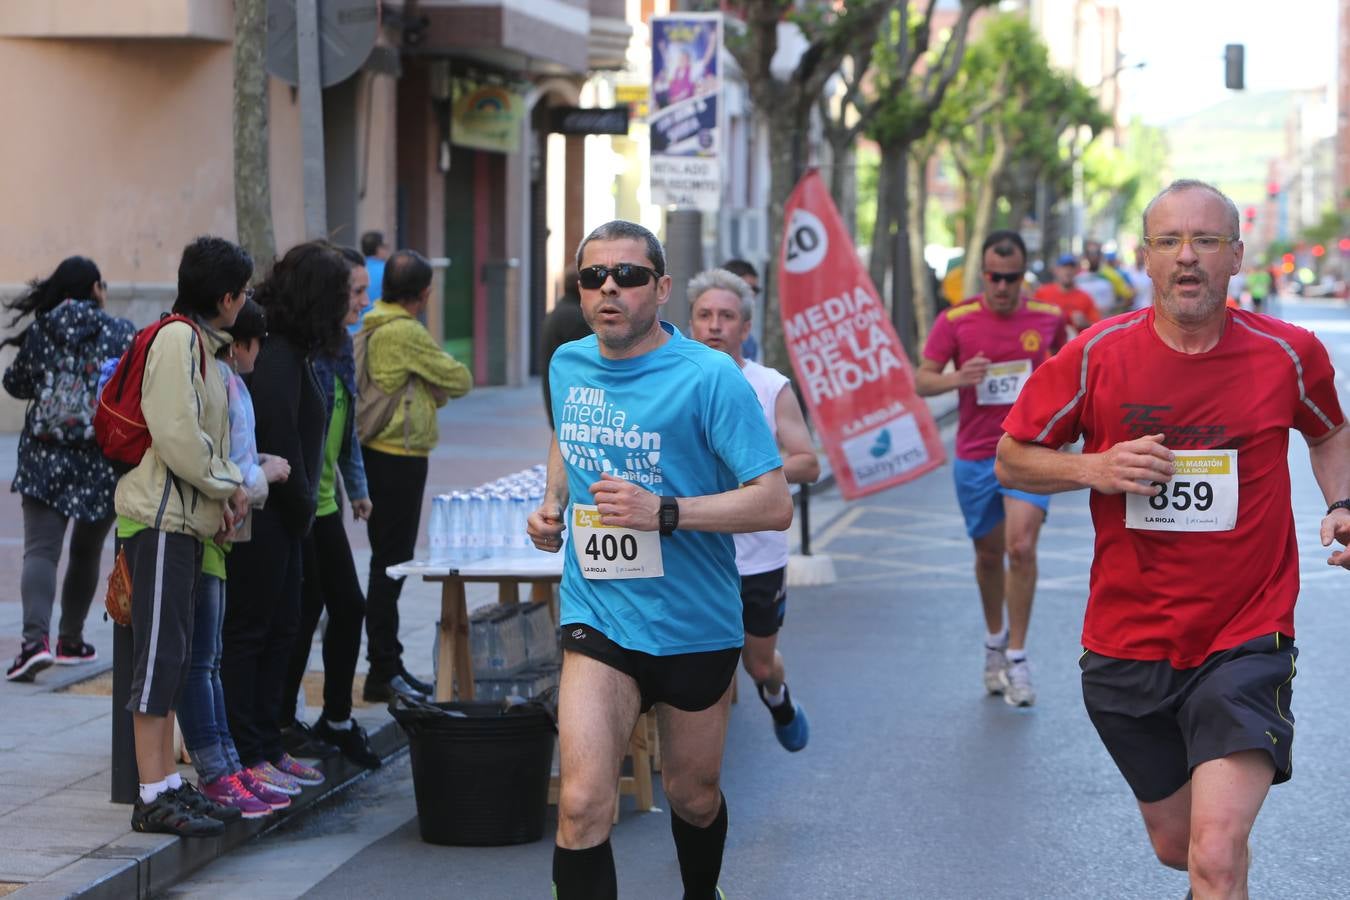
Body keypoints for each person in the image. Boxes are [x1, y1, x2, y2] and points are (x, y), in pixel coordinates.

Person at [996, 179, 1350, 897]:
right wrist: (1095, 466)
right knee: (1178, 847)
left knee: (1216, 852)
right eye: (1169, 242)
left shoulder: (1289, 354)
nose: (1187, 257)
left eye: (1206, 241)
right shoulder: (1096, 356)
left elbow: (1329, 429)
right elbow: (1013, 455)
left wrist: (1343, 501)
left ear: (1236, 257)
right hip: (1129, 642)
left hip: (1246, 634)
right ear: (1147, 259)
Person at [527, 220, 791, 900]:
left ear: (662, 287)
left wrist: (665, 511)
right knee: (584, 803)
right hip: (600, 613)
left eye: (628, 275)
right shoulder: (566, 363)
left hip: (694, 622)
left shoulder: (711, 379)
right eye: (593, 277)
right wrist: (552, 503)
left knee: (692, 795)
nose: (608, 288)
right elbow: (565, 436)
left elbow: (772, 504)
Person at [116, 236, 251, 836]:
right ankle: (151, 795)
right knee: (156, 664)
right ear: (226, 297)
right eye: (242, 294)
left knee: (170, 661)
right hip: (161, 523)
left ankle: (169, 784)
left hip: (184, 523)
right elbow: (177, 436)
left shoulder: (199, 342)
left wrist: (218, 494)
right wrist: (229, 483)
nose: (243, 304)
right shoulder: (177, 341)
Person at [915, 230, 1067, 707]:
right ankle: (994, 642)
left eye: (1012, 277)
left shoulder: (1047, 318)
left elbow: (1067, 370)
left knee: (1020, 546)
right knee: (987, 556)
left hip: (1030, 449)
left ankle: (1019, 658)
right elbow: (922, 380)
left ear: (1025, 275)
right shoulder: (956, 320)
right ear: (982, 275)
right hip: (978, 453)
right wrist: (960, 377)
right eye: (994, 277)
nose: (1002, 287)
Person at [221, 241, 349, 798]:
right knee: (256, 632)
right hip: (268, 515)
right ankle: (247, 751)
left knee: (283, 629)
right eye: (343, 295)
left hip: (288, 517)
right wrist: (301, 511)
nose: (349, 308)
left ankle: (268, 745)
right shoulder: (274, 352)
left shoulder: (292, 348)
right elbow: (281, 443)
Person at [688, 267, 817, 751]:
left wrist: (754, 474)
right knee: (697, 660)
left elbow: (807, 461)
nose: (715, 325)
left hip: (756, 557)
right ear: (691, 322)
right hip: (694, 549)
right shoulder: (672, 383)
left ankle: (778, 696)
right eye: (705, 315)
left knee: (758, 663)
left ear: (745, 328)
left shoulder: (769, 386)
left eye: (727, 316)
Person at [3, 257, 135, 682]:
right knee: (85, 551)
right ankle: (71, 640)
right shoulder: (119, 331)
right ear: (96, 287)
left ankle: (33, 644)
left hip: (44, 455)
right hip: (101, 459)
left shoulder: (43, 330)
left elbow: (16, 383)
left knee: (41, 550)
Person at [185, 296, 291, 819]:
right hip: (203, 527)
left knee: (209, 659)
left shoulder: (228, 380)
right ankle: (217, 770)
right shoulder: (219, 380)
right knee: (202, 661)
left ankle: (227, 763)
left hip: (220, 529)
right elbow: (214, 462)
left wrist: (253, 472)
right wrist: (258, 477)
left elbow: (230, 458)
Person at [280, 247, 381, 770]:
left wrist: (357, 486)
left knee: (344, 606)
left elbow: (346, 432)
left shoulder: (339, 347)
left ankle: (335, 718)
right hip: (299, 508)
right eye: (356, 292)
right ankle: (283, 720)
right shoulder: (302, 352)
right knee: (305, 614)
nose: (364, 302)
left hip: (326, 504)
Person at [359, 249, 472, 703]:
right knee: (391, 563)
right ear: (424, 294)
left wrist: (424, 383)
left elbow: (438, 385)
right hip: (395, 458)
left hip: (389, 455)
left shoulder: (376, 322)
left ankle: (386, 664)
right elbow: (460, 380)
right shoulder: (404, 332)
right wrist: (430, 381)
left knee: (388, 560)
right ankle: (383, 669)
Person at [539, 265, 592, 429]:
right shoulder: (575, 318)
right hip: (571, 404)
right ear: (580, 287)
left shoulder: (558, 312)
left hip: (559, 398)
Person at [1034, 253, 1102, 335]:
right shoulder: (1043, 293)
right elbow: (1031, 320)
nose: (1068, 271)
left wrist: (1085, 323)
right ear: (1056, 270)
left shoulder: (1085, 297)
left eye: (1071, 268)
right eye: (1064, 268)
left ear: (1076, 271)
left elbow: (1098, 328)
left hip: (1075, 344)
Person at [721, 259, 761, 362]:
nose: (752, 294)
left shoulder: (749, 342)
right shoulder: (695, 335)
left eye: (755, 290)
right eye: (746, 288)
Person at [352, 230, 389, 333]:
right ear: (378, 249)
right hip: (378, 328)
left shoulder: (355, 268)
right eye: (385, 247)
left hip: (353, 328)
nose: (387, 250)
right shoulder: (388, 270)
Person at [1124, 244, 1154, 310]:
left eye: (1141, 254)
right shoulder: (1128, 270)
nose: (1139, 256)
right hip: (1132, 308)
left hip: (1146, 308)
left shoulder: (1151, 271)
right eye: (1137, 253)